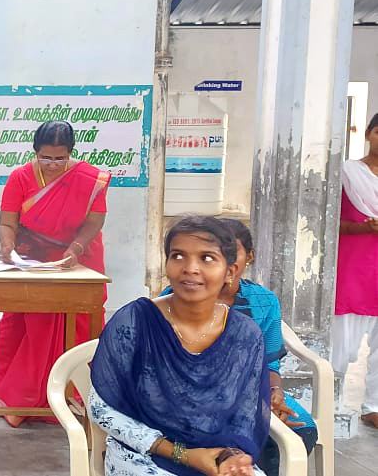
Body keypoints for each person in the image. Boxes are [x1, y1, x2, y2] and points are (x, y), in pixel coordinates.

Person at [90, 216, 270, 476]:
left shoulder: (245, 333)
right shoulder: (136, 321)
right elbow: (101, 409)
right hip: (144, 456)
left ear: (229, 272)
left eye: (206, 258)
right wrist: (181, 454)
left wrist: (231, 457)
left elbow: (245, 414)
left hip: (215, 456)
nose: (190, 268)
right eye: (178, 256)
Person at [160, 219, 317, 476]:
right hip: (195, 396)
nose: (194, 268)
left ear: (245, 259)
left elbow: (268, 362)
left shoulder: (263, 302)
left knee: (300, 429)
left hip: (256, 389)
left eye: (231, 252)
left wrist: (274, 394)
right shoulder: (175, 298)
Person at [0, 120, 110, 426]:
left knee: (80, 324)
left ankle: (74, 396)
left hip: (77, 257)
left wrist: (76, 249)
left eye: (60, 158)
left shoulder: (89, 178)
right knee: (30, 324)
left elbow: (94, 222)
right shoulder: (20, 177)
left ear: (71, 153)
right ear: (35, 152)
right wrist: (7, 246)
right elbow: (7, 222)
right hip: (32, 258)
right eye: (46, 158)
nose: (53, 165)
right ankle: (20, 399)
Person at [332, 113, 378, 429]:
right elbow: (324, 221)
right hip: (354, 266)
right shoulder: (347, 173)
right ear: (369, 134)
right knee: (341, 343)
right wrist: (362, 229)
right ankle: (326, 404)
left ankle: (374, 407)